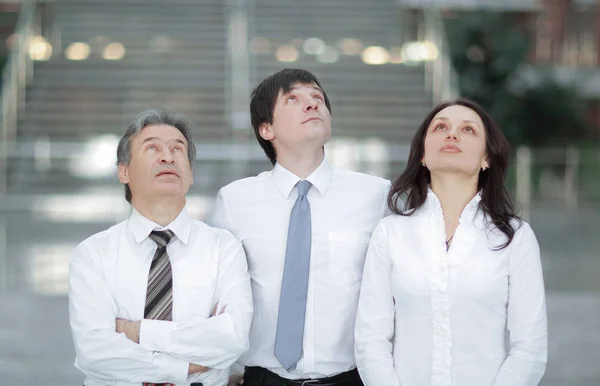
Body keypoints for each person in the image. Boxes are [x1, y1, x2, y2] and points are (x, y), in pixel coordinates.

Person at [208, 68, 390, 386]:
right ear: (266, 128)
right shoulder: (235, 200)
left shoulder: (376, 195)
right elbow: (215, 299)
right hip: (262, 379)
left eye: (317, 97)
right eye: (293, 98)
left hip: (353, 379)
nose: (311, 104)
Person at [354, 99, 548, 386]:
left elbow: (529, 347)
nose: (452, 134)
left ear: (487, 158)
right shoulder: (390, 232)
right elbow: (371, 339)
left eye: (468, 130)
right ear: (422, 154)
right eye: (441, 127)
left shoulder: (515, 237)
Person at [69, 109, 253, 386]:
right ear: (124, 171)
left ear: (190, 174)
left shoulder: (224, 249)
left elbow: (233, 338)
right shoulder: (93, 254)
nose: (167, 156)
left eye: (177, 149)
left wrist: (136, 331)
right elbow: (95, 353)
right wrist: (180, 367)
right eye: (152, 147)